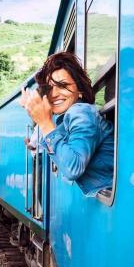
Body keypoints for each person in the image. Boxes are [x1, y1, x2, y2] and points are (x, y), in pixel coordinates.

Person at [20, 52, 114, 197]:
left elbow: (73, 168)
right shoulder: (67, 118)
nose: (54, 94)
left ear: (80, 90)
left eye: (63, 86)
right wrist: (36, 111)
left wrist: (45, 122)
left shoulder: (81, 112)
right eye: (50, 88)